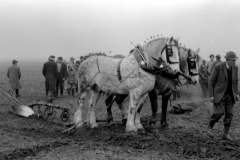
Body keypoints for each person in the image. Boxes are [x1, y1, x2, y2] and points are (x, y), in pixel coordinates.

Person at [207, 51, 239, 140]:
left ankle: (225, 134)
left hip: (230, 95)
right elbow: (211, 81)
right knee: (218, 113)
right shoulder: (218, 67)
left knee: (230, 114)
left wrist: (236, 93)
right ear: (227, 60)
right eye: (232, 60)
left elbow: (236, 82)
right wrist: (211, 95)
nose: (234, 62)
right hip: (219, 94)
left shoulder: (235, 68)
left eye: (235, 60)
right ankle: (210, 127)